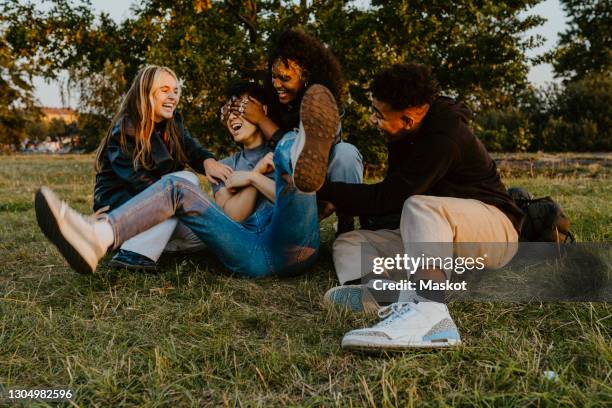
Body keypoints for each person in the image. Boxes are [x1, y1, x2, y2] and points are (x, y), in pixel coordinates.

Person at [34, 84, 340, 279]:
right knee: (178, 184)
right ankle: (97, 238)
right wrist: (256, 174)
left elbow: (291, 200)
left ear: (259, 112)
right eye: (227, 110)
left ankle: (303, 142)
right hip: (247, 252)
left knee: (288, 156)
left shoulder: (274, 153)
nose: (232, 114)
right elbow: (231, 215)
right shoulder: (224, 166)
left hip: (293, 243)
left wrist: (247, 180)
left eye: (240, 108)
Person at [318, 63, 525, 350]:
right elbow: (388, 202)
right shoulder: (403, 135)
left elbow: (388, 197)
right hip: (439, 238)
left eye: (379, 114)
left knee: (419, 206)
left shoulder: (444, 136)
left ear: (409, 118)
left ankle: (429, 314)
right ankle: (382, 293)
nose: (373, 120)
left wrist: (322, 188)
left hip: (493, 230)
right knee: (351, 241)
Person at [93, 65, 233, 271]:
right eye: (164, 90)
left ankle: (139, 244)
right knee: (186, 180)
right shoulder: (126, 129)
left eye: (176, 91)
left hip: (162, 205)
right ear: (146, 92)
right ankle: (134, 253)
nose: (173, 97)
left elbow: (190, 147)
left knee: (205, 236)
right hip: (125, 209)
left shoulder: (173, 121)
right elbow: (139, 184)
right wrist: (180, 199)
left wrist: (207, 161)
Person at [230, 28, 363, 234]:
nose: (276, 84)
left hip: (324, 175)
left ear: (306, 76)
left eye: (284, 78)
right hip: (288, 183)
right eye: (273, 77)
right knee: (289, 143)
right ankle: (306, 214)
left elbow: (325, 148)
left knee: (347, 153)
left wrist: (261, 119)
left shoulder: (323, 104)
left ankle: (345, 224)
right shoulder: (272, 102)